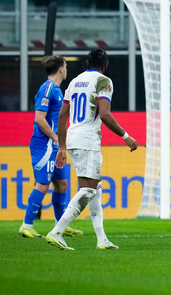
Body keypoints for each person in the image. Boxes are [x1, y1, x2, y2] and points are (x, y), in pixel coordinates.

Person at [46, 49, 138, 250]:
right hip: (88, 140)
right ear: (106, 64)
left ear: (87, 62)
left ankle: (102, 239)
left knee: (95, 190)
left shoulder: (74, 82)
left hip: (72, 138)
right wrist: (126, 136)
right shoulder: (104, 81)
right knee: (87, 190)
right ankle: (57, 231)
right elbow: (105, 114)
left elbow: (62, 116)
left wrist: (62, 146)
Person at [19, 56, 82, 239]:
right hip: (44, 145)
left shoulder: (57, 90)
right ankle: (26, 225)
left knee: (61, 185)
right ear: (61, 69)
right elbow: (39, 118)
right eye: (66, 66)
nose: (67, 69)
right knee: (43, 185)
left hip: (53, 146)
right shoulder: (47, 88)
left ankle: (60, 225)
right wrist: (56, 138)